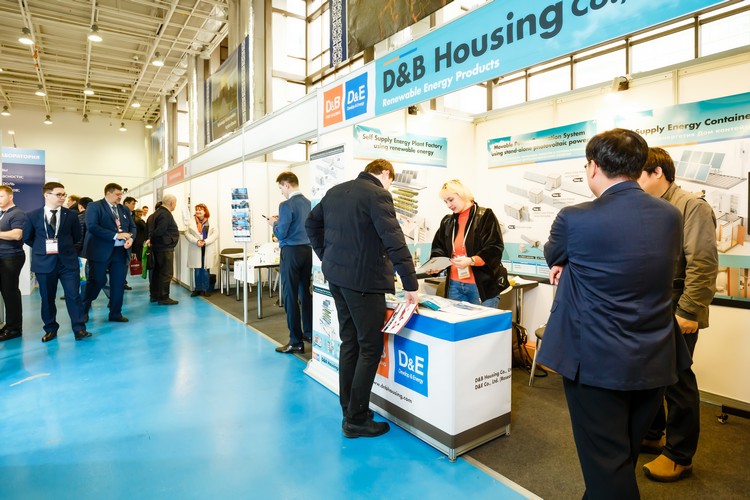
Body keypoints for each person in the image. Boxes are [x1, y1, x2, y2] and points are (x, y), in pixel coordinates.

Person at [536, 129, 687, 498]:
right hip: (655, 356)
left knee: (607, 465)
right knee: (622, 455)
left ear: (593, 167)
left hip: (596, 361)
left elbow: (554, 253)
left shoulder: (574, 218)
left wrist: (566, 264)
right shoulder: (670, 215)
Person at [306, 159, 419, 438]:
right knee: (369, 347)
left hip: (338, 279)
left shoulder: (335, 191)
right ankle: (356, 420)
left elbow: (311, 224)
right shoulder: (378, 194)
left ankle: (350, 410)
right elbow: (394, 239)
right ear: (385, 174)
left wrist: (327, 256)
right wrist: (410, 284)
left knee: (350, 342)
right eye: (390, 181)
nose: (389, 186)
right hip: (364, 283)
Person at [638, 147, 719, 482]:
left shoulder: (691, 206)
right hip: (653, 303)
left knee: (677, 379)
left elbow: (703, 263)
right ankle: (653, 433)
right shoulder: (650, 207)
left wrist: (688, 310)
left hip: (677, 302)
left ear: (657, 172)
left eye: (637, 174)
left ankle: (679, 455)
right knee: (651, 374)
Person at [22, 182, 91, 342]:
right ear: (47, 195)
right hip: (44, 263)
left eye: (64, 194)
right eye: (59, 194)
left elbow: (76, 236)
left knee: (74, 296)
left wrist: (65, 249)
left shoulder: (71, 215)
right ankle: (50, 329)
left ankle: (79, 329)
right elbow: (27, 238)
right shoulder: (32, 215)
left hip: (68, 263)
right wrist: (43, 248)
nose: (62, 197)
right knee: (47, 299)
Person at [428, 179, 505, 308]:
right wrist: (436, 265)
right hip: (454, 286)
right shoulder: (448, 221)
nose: (448, 205)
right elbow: (439, 248)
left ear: (462, 194)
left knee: (482, 321)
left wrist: (471, 261)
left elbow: (494, 248)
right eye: (445, 202)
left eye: (451, 200)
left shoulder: (485, 216)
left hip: (480, 287)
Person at [268, 172, 313, 354]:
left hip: (291, 252)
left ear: (286, 185)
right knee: (305, 292)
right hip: (307, 251)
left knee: (290, 295)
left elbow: (281, 233)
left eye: (281, 188)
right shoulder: (309, 203)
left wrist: (273, 224)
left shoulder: (286, 205)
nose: (281, 192)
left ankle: (295, 341)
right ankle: (309, 332)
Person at [82, 183, 135, 323]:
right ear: (108, 193)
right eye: (117, 194)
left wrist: (130, 238)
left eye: (121, 194)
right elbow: (92, 227)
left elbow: (132, 227)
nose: (120, 197)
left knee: (118, 284)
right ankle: (84, 309)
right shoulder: (94, 206)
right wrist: (115, 235)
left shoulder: (123, 209)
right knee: (96, 281)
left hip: (120, 252)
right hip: (100, 251)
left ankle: (115, 313)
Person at [0, 185, 27, 341]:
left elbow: (17, 235)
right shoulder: (3, 213)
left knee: (10, 292)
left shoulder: (17, 213)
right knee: (5, 292)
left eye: (1, 196)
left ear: (10, 197)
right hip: (2, 257)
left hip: (11, 257)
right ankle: (9, 325)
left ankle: (14, 328)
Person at [147, 194, 179, 305]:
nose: (175, 205)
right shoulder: (165, 214)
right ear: (171, 203)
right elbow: (160, 230)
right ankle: (164, 297)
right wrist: (153, 239)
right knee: (166, 273)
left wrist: (151, 240)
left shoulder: (156, 213)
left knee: (157, 272)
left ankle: (155, 295)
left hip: (158, 247)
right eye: (175, 203)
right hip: (164, 247)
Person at [185, 203, 217, 297]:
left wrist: (205, 242)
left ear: (205, 212)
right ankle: (197, 289)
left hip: (207, 248)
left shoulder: (211, 222)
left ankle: (205, 289)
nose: (198, 211)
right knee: (197, 270)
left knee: (206, 270)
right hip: (196, 247)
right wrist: (196, 241)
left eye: (200, 210)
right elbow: (187, 234)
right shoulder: (191, 222)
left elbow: (215, 234)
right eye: (197, 210)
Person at [122, 196, 138, 290]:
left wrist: (131, 237)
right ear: (126, 203)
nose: (134, 206)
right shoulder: (121, 214)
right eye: (132, 204)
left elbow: (132, 228)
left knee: (126, 263)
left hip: (129, 242)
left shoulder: (131, 215)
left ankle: (123, 282)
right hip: (121, 243)